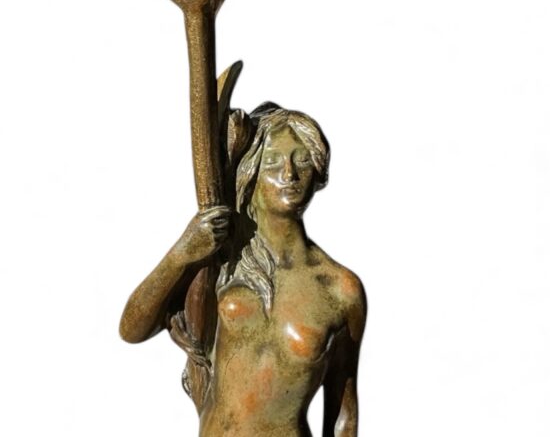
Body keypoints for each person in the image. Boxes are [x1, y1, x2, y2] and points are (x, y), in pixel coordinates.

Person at [119, 104, 367, 437]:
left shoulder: (339, 289)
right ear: (251, 172)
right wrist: (181, 253)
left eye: (302, 160)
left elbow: (342, 415)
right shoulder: (220, 262)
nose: (289, 175)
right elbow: (132, 329)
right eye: (273, 161)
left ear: (318, 171)